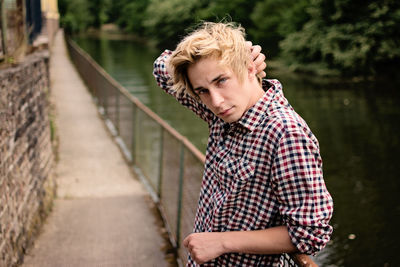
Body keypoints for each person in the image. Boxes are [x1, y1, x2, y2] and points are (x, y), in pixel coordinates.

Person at [153, 22, 333, 266]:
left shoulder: (285, 133)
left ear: (250, 68)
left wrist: (221, 241)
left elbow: (310, 233)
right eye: (203, 90)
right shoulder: (220, 115)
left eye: (221, 80)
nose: (216, 101)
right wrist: (227, 49)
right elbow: (161, 70)